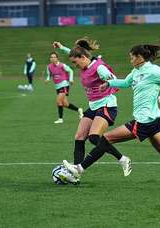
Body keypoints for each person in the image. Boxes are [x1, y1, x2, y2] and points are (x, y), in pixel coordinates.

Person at [63, 44, 160, 191]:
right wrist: (109, 83)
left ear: (140, 57)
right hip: (152, 121)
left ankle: (80, 169)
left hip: (144, 121)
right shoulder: (136, 71)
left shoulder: (153, 70)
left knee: (105, 139)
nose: (130, 60)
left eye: (132, 58)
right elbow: (126, 82)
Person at [53, 38, 131, 183]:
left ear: (83, 57)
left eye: (75, 62)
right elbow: (74, 53)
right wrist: (62, 47)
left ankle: (122, 159)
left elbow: (115, 79)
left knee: (94, 137)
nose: (75, 66)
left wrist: (109, 82)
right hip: (94, 106)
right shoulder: (84, 61)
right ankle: (75, 173)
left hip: (107, 105)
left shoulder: (99, 68)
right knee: (79, 137)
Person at [45, 51, 83, 124]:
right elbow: (49, 75)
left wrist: (71, 80)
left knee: (58, 101)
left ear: (57, 58)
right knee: (65, 104)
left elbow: (70, 71)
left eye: (54, 57)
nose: (52, 58)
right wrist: (47, 79)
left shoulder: (62, 65)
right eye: (51, 57)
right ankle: (79, 110)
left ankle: (60, 119)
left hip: (64, 84)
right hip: (57, 86)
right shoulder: (49, 66)